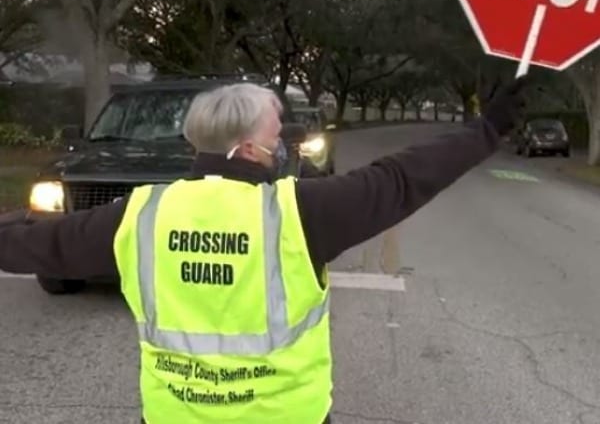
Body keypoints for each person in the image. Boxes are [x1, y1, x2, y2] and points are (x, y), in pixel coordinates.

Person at [0, 78, 527, 424]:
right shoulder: (300, 212)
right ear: (249, 148)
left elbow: (40, 243)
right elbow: (400, 180)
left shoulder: (140, 214)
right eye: (276, 135)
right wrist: (484, 131)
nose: (283, 145)